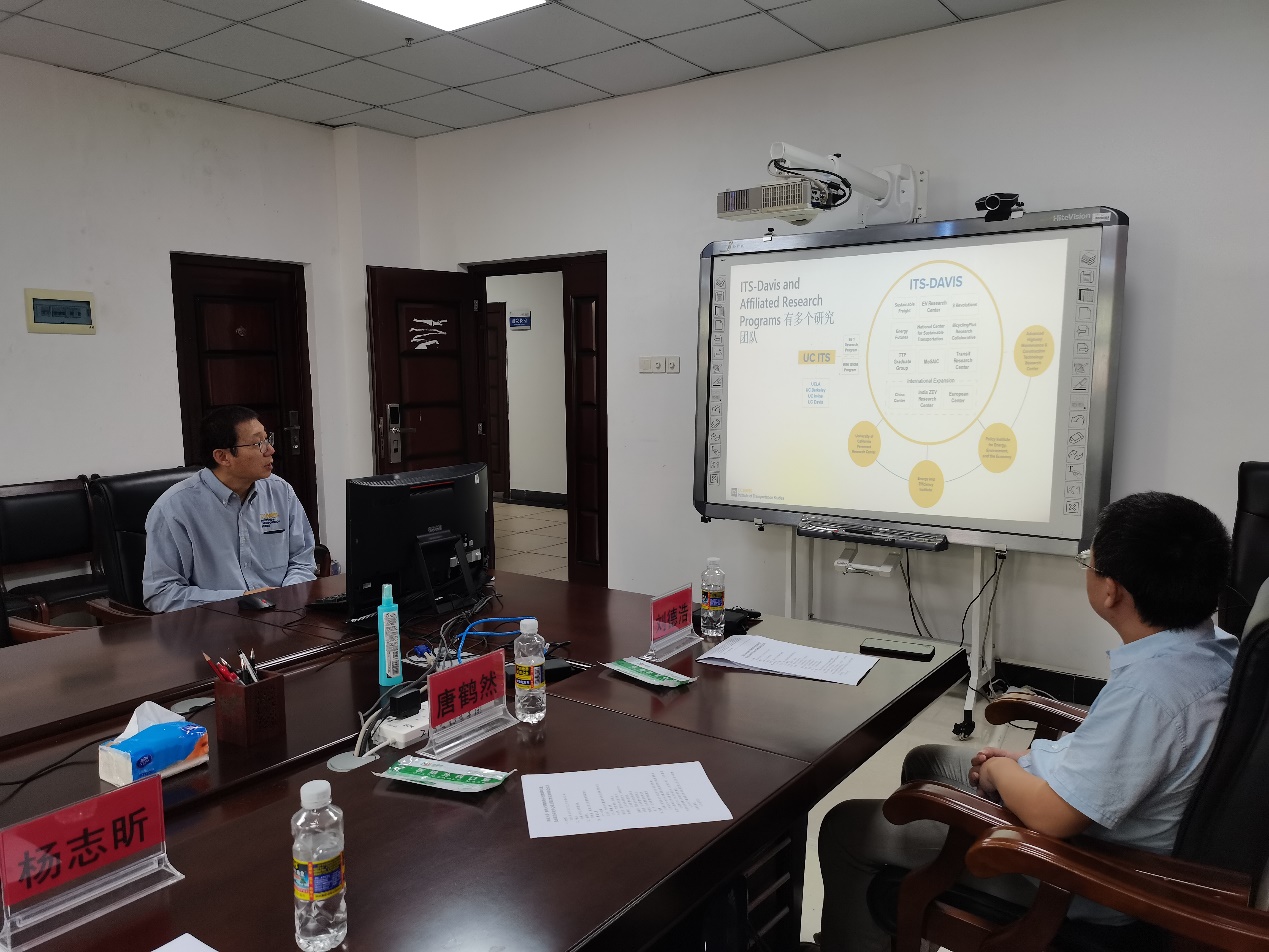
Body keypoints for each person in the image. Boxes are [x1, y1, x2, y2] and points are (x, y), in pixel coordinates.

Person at [814, 491, 1236, 951]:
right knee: (927, 762)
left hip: (1079, 874)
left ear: (1111, 591)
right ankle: (909, 927)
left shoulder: (1150, 693)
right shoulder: (1211, 650)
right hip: (1100, 827)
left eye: (1089, 563)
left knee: (846, 827)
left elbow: (1054, 816)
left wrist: (1002, 770)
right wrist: (1031, 761)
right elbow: (1124, 757)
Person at [142, 406, 317, 612]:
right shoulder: (174, 509)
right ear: (223, 457)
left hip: (284, 615)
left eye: (268, 439)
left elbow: (302, 561)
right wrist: (240, 600)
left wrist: (285, 596)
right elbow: (161, 593)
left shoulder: (280, 491)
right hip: (218, 623)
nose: (270, 450)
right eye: (258, 443)